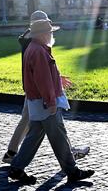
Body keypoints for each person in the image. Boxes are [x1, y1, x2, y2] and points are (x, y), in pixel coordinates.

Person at [8, 19, 94, 185]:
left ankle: (16, 168)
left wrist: (58, 79)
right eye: (49, 32)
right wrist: (51, 101)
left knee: (33, 137)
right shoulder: (39, 51)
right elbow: (43, 79)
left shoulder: (35, 48)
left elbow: (43, 75)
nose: (51, 34)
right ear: (42, 34)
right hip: (44, 103)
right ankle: (72, 171)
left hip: (37, 102)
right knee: (59, 136)